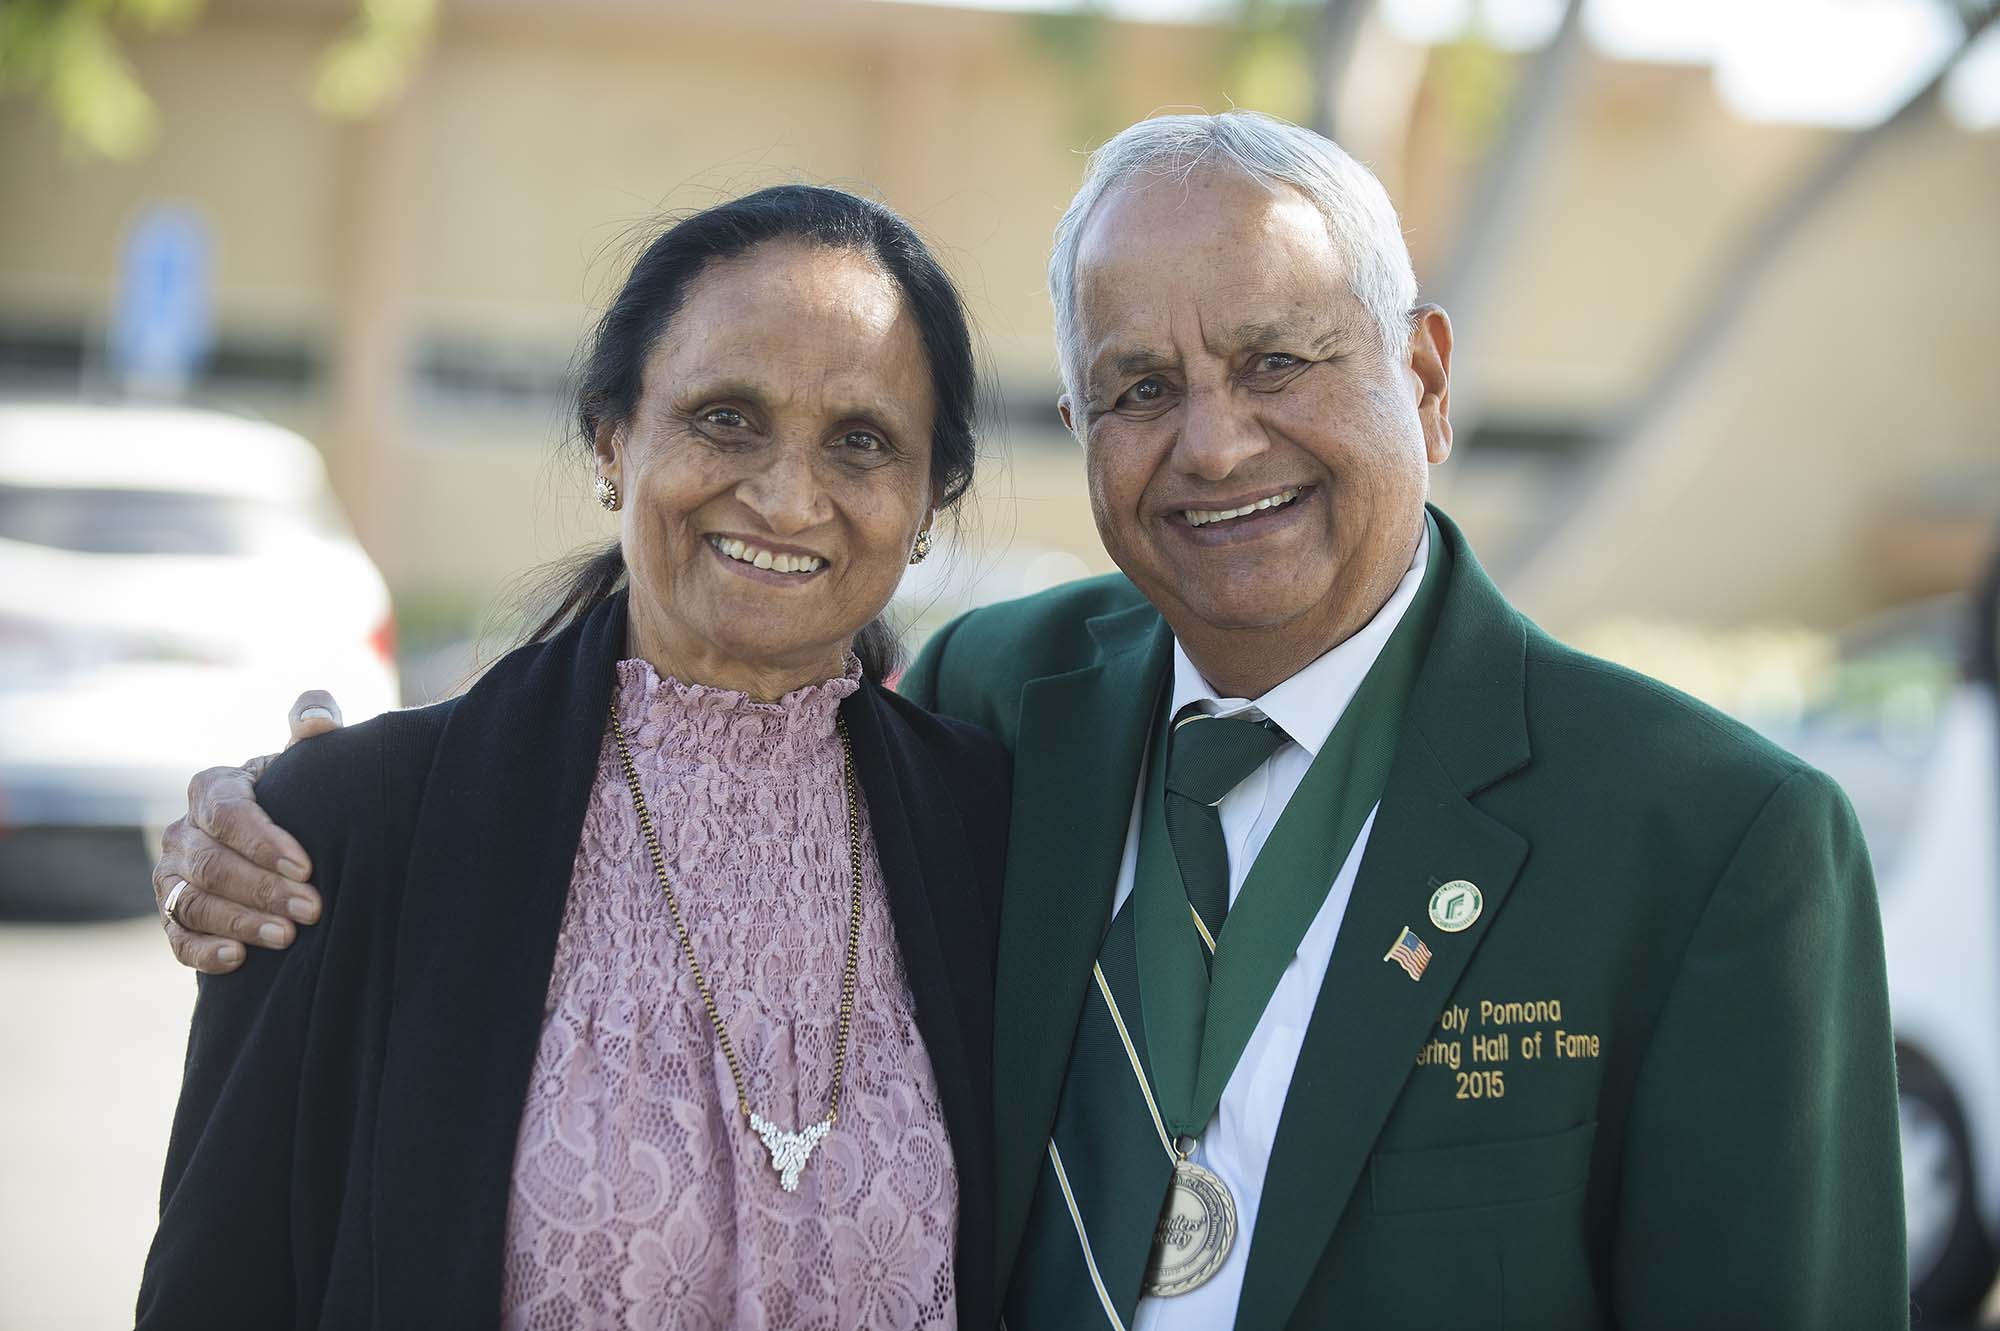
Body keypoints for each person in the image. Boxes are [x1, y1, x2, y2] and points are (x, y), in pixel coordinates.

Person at [156, 112, 1906, 1329]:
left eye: (1281, 360)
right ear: (614, 436)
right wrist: (303, 804)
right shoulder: (1013, 716)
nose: (1213, 444)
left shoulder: (1712, 841)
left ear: (1426, 380)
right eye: (1139, 389)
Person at [137, 185, 1008, 1330]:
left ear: (927, 499)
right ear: (612, 438)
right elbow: (220, 1292)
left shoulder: (994, 832)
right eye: (725, 417)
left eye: (860, 442)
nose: (790, 496)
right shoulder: (353, 828)